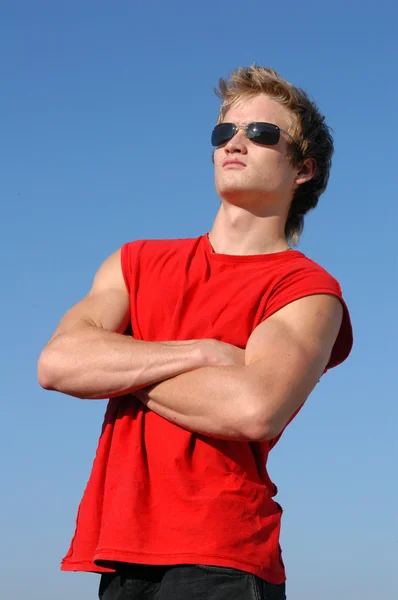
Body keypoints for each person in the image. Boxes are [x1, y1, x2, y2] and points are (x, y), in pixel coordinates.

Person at [38, 65, 353, 600]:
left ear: (303, 169)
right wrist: (205, 353)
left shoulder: (308, 288)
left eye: (261, 133)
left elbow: (253, 407)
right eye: (224, 132)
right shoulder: (136, 261)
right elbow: (58, 363)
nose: (235, 142)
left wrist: (116, 365)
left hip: (222, 555)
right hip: (118, 551)